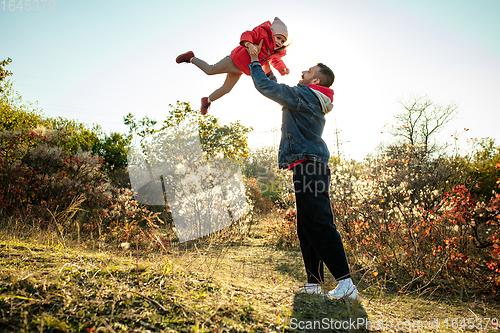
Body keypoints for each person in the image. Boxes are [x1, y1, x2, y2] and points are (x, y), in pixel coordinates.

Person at [246, 44, 359, 300]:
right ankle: (314, 283)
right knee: (306, 225)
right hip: (306, 166)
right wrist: (265, 62)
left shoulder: (305, 95)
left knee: (319, 222)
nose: (304, 71)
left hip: (311, 166)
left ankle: (346, 284)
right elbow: (276, 87)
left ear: (316, 80)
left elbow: (268, 88)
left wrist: (254, 61)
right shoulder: (308, 95)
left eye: (309, 71)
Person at [175, 17, 290, 115]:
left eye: (282, 41)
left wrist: (282, 69)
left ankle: (207, 100)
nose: (279, 42)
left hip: (240, 70)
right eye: (278, 37)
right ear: (272, 33)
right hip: (234, 60)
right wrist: (249, 44)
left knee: (227, 89)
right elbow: (247, 34)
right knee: (210, 70)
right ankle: (191, 58)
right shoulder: (262, 34)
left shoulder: (272, 51)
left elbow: (276, 61)